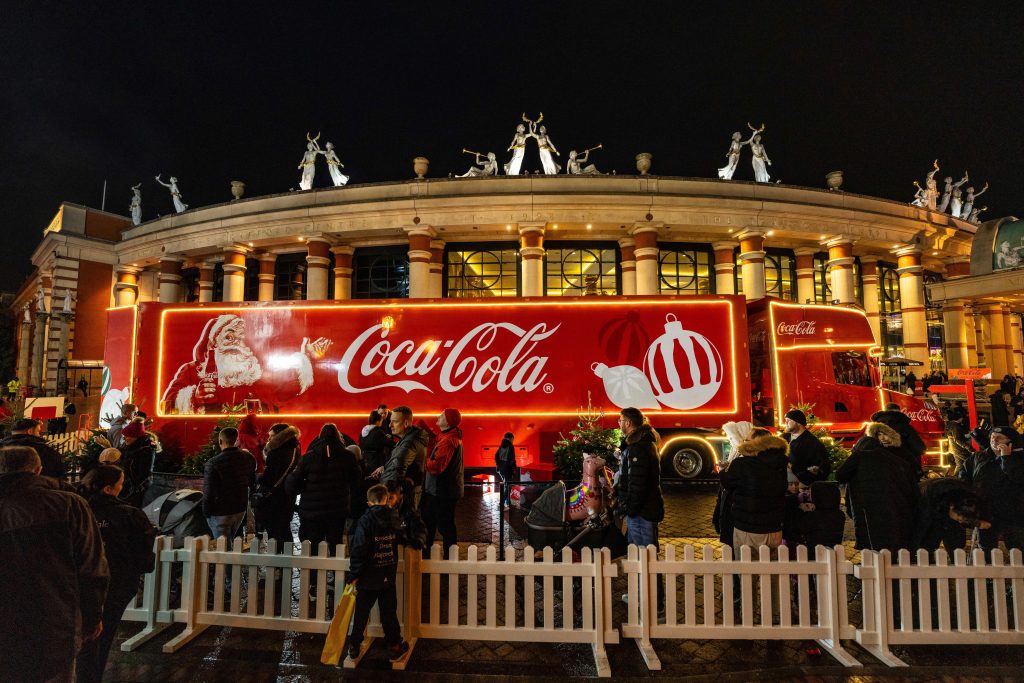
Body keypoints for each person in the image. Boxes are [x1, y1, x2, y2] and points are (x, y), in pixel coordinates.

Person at [0, 446, 109, 682]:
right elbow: (91, 567)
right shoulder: (69, 505)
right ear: (38, 470)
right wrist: (91, 616)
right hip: (54, 621)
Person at [74, 465, 156, 683]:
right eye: (120, 484)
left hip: (76, 580)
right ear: (109, 489)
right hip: (116, 582)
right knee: (102, 635)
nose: (123, 487)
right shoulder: (129, 515)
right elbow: (143, 553)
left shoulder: (76, 508)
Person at [160, 314, 330, 414]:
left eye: (241, 338)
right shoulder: (193, 370)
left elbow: (288, 388)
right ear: (213, 343)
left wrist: (307, 357)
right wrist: (193, 396)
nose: (236, 343)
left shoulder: (257, 372)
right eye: (229, 337)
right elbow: (166, 406)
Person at [346, 484, 410, 663]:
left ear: (369, 502)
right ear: (386, 499)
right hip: (387, 574)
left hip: (368, 575)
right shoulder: (394, 518)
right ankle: (395, 647)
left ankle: (354, 645)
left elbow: (359, 548)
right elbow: (404, 536)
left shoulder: (365, 521)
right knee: (389, 613)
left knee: (361, 612)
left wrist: (354, 574)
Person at [836, 422, 918, 551]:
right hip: (892, 506)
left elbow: (840, 476)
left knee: (869, 542)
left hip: (864, 508)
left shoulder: (858, 456)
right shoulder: (893, 458)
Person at [615, 407, 665, 607]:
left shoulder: (638, 448)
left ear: (628, 422)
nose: (619, 424)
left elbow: (637, 484)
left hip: (642, 513)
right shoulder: (641, 444)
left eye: (620, 420)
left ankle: (653, 601)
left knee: (645, 556)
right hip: (643, 510)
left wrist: (630, 509)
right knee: (641, 555)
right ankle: (641, 595)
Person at [286, 423, 359, 550]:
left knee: (312, 548)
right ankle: (335, 562)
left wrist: (300, 489)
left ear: (320, 436)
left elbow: (293, 481)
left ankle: (314, 563)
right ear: (338, 437)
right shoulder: (348, 457)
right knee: (336, 545)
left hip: (311, 511)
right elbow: (356, 480)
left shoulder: (308, 457)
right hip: (337, 510)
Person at [719, 430, 789, 551]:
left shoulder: (742, 464)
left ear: (756, 442)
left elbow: (727, 483)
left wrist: (722, 470)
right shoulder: (780, 462)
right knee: (771, 562)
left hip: (747, 527)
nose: (745, 442)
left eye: (747, 440)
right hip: (774, 528)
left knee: (746, 561)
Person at [958, 426, 1024, 553]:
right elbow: (964, 473)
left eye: (1000, 438)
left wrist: (1006, 458)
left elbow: (1019, 477)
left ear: (1010, 442)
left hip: (1012, 513)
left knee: (1017, 548)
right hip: (985, 511)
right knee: (986, 548)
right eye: (993, 437)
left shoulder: (1019, 458)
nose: (994, 440)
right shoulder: (978, 457)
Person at [422, 409, 464, 558]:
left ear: (448, 421)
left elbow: (436, 467)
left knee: (442, 525)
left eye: (441, 415)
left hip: (441, 492)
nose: (438, 417)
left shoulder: (448, 441)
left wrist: (422, 460)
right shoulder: (449, 437)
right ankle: (449, 557)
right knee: (443, 524)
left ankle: (446, 557)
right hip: (444, 490)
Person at [202, 426, 257, 540]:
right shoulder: (248, 457)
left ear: (220, 441)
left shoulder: (213, 463)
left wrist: (206, 512)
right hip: (240, 508)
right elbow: (252, 482)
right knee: (232, 539)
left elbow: (209, 491)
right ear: (237, 440)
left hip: (220, 511)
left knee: (222, 543)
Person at [912, 477, 989, 552]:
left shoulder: (961, 500)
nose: (960, 521)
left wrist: (976, 523)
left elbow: (963, 516)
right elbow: (921, 528)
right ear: (952, 507)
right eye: (958, 519)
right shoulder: (931, 502)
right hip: (920, 509)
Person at [256, 423, 301, 549]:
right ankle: (287, 554)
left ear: (280, 436)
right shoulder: (295, 448)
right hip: (288, 494)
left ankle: (277, 556)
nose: (269, 439)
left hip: (274, 497)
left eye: (272, 436)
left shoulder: (276, 452)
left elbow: (268, 478)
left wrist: (259, 478)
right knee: (285, 527)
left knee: (274, 529)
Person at [374, 406, 429, 509]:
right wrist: (385, 467)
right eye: (390, 421)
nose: (390, 425)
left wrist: (383, 491)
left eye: (394, 422)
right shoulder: (407, 439)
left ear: (406, 423)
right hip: (405, 492)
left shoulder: (409, 443)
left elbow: (397, 469)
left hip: (402, 495)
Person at [0, 416, 67, 479]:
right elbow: (58, 469)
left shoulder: (2, 447)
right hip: (37, 485)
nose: (39, 435)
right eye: (38, 431)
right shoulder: (43, 450)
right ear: (30, 431)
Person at [871, 403, 926, 477]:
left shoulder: (873, 429)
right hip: (904, 470)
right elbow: (920, 448)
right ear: (899, 412)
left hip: (880, 470)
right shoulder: (906, 428)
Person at [782, 409, 830, 485]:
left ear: (798, 422)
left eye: (789, 420)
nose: (786, 423)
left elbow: (822, 468)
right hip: (782, 484)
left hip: (801, 486)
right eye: (785, 420)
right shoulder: (782, 438)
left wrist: (801, 477)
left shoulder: (813, 443)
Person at [120, 420, 156, 506]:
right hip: (126, 486)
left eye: (127, 436)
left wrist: (133, 487)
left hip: (137, 489)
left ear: (136, 437)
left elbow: (145, 473)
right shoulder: (129, 446)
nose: (124, 438)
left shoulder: (146, 450)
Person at [385, 479, 427, 551]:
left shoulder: (409, 511)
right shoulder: (382, 510)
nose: (388, 501)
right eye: (386, 498)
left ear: (399, 495)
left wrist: (419, 539)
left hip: (405, 550)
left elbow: (420, 528)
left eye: (391, 498)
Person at [495, 431, 519, 508]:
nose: (513, 441)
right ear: (510, 438)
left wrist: (498, 465)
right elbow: (512, 460)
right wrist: (514, 469)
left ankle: (508, 502)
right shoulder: (510, 446)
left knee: (506, 485)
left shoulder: (501, 446)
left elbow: (496, 456)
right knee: (508, 486)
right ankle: (502, 503)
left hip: (501, 469)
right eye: (513, 439)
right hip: (507, 469)